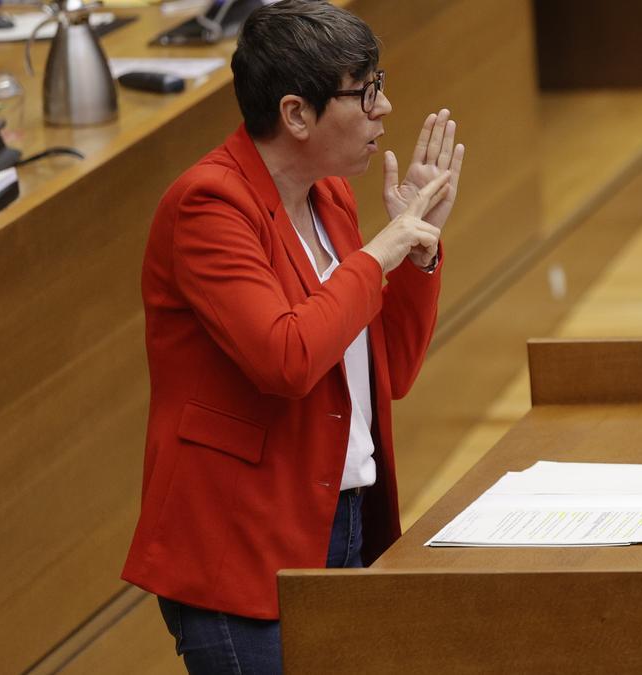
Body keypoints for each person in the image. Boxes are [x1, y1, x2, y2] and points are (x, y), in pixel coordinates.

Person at [120, 1, 464, 672]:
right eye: (365, 92)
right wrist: (378, 254)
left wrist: (418, 250)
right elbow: (286, 356)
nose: (384, 108)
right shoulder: (208, 208)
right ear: (296, 114)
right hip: (243, 550)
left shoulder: (328, 193)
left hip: (346, 521)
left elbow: (386, 369)